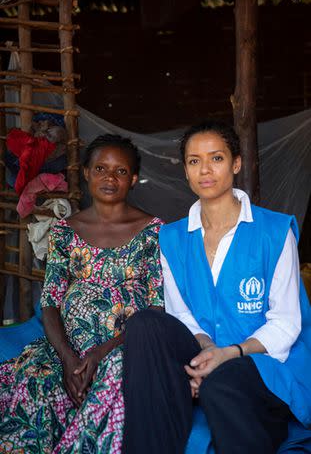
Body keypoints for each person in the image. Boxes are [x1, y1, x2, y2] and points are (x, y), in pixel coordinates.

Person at [122, 120, 311, 454]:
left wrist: (228, 354)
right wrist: (206, 350)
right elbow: (180, 313)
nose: (205, 170)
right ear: (185, 171)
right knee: (144, 325)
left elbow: (286, 322)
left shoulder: (275, 231)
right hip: (204, 349)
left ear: (236, 163)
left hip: (259, 361)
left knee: (221, 384)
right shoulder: (171, 238)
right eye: (194, 161)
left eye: (217, 158)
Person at [0, 134, 164, 453]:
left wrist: (100, 353)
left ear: (133, 179)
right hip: (68, 350)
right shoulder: (65, 230)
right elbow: (49, 303)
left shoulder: (154, 232)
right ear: (86, 173)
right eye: (101, 168)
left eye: (120, 171)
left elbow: (158, 308)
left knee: (116, 382)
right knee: (36, 382)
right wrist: (67, 360)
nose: (109, 177)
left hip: (124, 346)